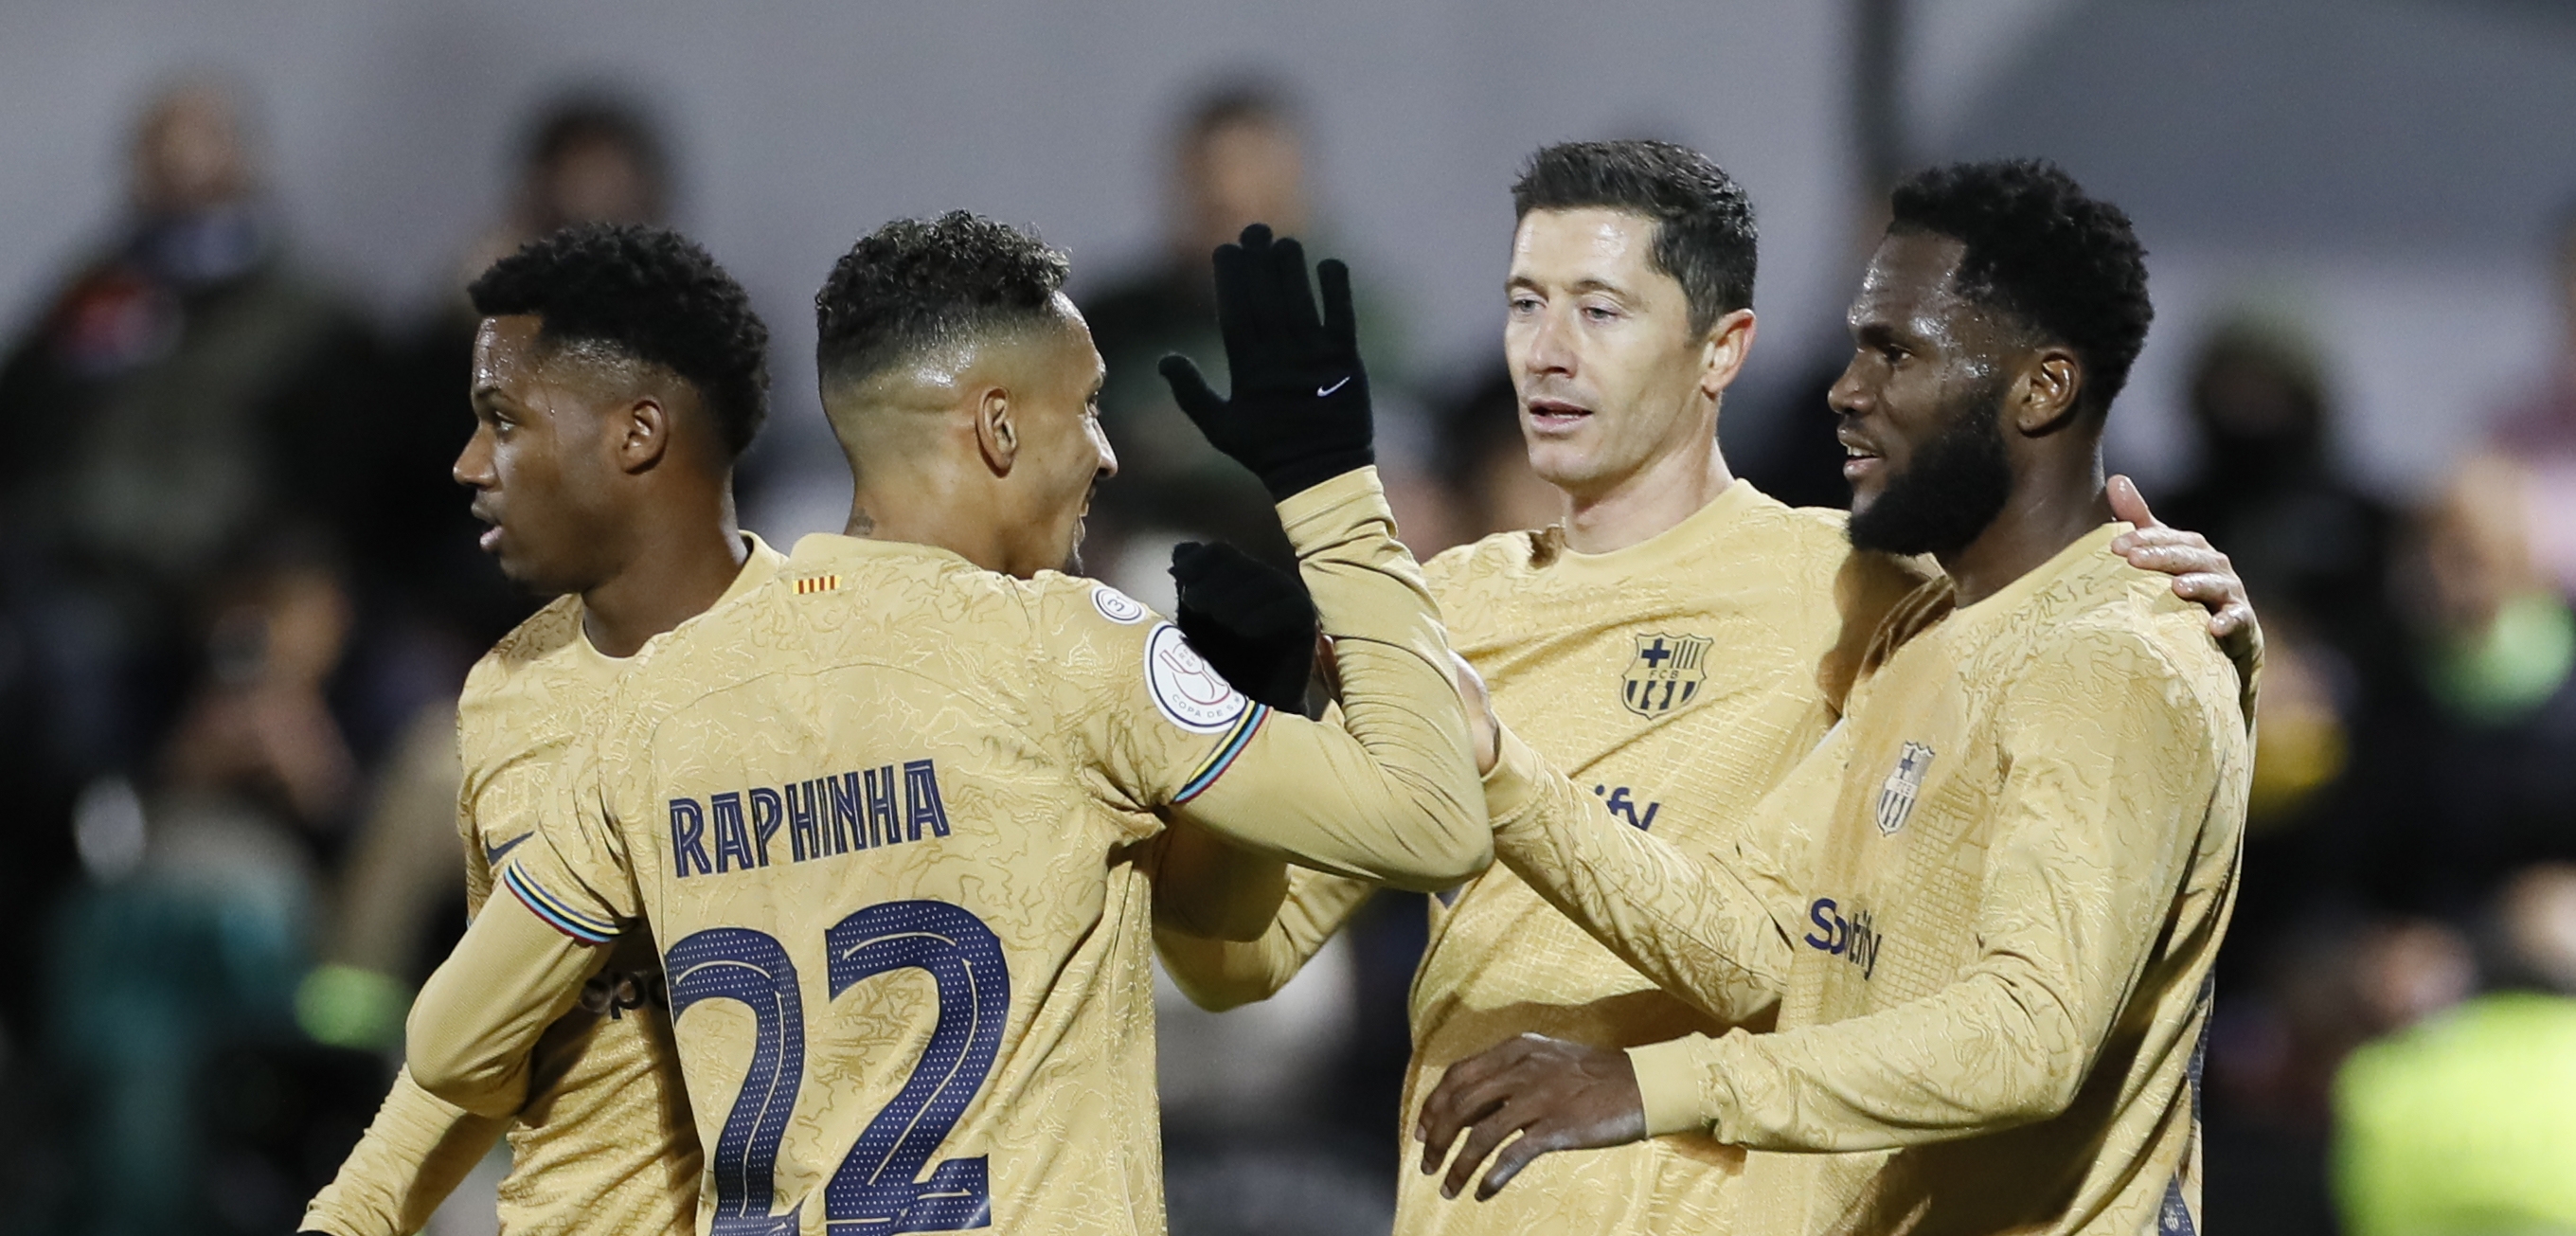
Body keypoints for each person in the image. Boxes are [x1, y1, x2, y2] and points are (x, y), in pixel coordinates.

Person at [1155, 142, 2251, 1235]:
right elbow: (1239, 956)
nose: (1545, 353)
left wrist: (2198, 621)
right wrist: (1233, 749)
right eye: (1524, 303)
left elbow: (2074, 667)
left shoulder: (1866, 587)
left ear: (1720, 350)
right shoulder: (1447, 609)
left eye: (1600, 311)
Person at [401, 214, 1489, 1232]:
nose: (1104, 455)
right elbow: (1432, 823)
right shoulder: (1072, 653)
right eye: (1089, 407)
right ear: (1000, 426)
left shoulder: (658, 698)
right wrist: (1334, 490)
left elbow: (451, 1043)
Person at [301, 222, 779, 1236]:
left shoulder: (851, 678)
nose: (470, 463)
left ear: (635, 434)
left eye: (503, 422)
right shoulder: (504, 704)